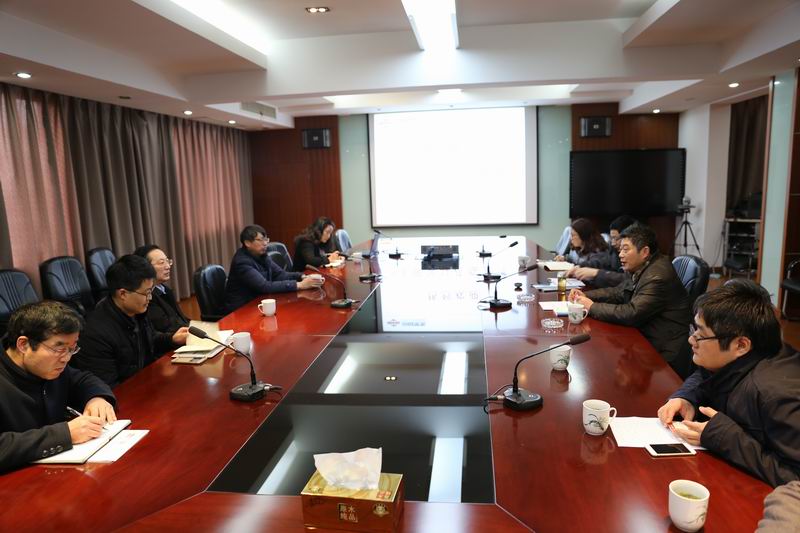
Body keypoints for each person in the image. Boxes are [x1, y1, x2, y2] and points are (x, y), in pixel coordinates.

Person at [657, 280, 800, 488]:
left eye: (701, 335)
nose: (691, 340)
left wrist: (724, 437)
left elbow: (794, 478)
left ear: (741, 345)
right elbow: (705, 373)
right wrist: (686, 397)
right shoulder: (746, 354)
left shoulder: (777, 395)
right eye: (693, 330)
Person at [0, 301, 116, 472]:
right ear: (23, 345)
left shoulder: (49, 366)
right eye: (59, 349)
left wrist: (97, 398)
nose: (66, 358)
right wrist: (64, 435)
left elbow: (83, 380)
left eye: (72, 349)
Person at [569, 224, 693, 377]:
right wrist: (586, 295)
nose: (620, 254)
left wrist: (591, 306)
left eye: (626, 249)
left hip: (663, 351)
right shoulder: (640, 266)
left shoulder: (657, 276)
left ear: (645, 252)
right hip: (645, 336)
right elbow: (618, 292)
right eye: (620, 249)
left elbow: (632, 313)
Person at [71, 255, 189, 387]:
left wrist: (172, 339)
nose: (150, 298)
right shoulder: (96, 334)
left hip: (147, 384)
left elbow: (150, 340)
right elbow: (108, 387)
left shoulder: (136, 311)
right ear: (123, 294)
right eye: (146, 293)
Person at [224, 224, 324, 313]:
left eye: (266, 240)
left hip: (259, 303)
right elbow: (264, 286)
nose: (265, 243)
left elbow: (280, 274)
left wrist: (302, 276)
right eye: (260, 240)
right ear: (247, 243)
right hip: (242, 310)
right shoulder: (242, 262)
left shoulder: (263, 256)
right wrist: (300, 285)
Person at [133, 244, 190, 343]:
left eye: (168, 261)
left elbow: (181, 318)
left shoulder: (164, 289)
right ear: (145, 267)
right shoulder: (145, 297)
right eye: (161, 263)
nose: (168, 266)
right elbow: (167, 327)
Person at [568, 215, 637, 288]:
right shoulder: (613, 250)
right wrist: (581, 266)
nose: (613, 243)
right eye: (612, 238)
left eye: (616, 239)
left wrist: (596, 273)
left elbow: (628, 280)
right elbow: (600, 262)